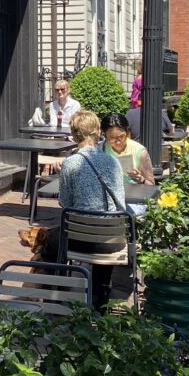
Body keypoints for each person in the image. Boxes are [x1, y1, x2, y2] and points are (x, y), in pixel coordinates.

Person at [58, 110, 125, 308]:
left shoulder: (70, 163)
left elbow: (65, 202)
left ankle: (56, 292)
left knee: (51, 241)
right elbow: (120, 204)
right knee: (107, 232)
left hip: (79, 240)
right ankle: (100, 297)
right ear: (98, 132)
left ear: (74, 135)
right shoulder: (113, 162)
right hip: (109, 242)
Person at [101, 113, 155, 185]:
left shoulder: (140, 152)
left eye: (121, 137)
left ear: (127, 133)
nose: (118, 142)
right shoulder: (100, 149)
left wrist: (141, 180)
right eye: (112, 138)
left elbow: (151, 185)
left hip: (133, 190)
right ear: (105, 136)